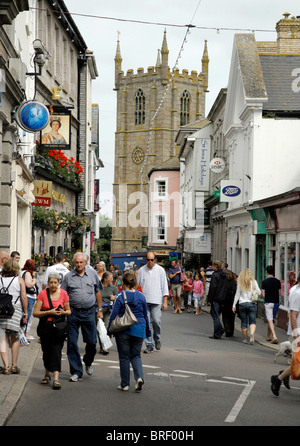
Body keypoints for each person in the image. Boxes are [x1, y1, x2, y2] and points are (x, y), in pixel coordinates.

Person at [60, 252, 103, 382]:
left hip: (89, 312)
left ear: (85, 263)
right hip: (73, 312)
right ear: (74, 263)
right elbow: (63, 294)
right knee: (72, 343)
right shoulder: (68, 277)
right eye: (77, 262)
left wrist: (99, 309)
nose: (79, 265)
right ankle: (76, 371)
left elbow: (98, 291)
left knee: (92, 342)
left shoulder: (93, 274)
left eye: (81, 262)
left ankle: (88, 361)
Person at [107, 271, 151, 391]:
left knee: (124, 357)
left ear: (123, 283)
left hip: (124, 329)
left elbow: (114, 314)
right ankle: (139, 378)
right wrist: (148, 332)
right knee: (136, 355)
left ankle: (125, 384)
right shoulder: (141, 296)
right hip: (140, 328)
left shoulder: (120, 296)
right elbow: (145, 315)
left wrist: (109, 330)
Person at [33, 272, 71, 389]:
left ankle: (56, 378)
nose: (53, 285)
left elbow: (69, 311)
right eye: (51, 282)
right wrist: (49, 312)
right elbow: (35, 313)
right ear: (48, 283)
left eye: (55, 282)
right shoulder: (42, 294)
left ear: (59, 283)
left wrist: (63, 312)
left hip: (58, 327)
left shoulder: (64, 294)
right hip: (45, 326)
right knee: (46, 351)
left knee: (56, 351)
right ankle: (46, 374)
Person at [271, 274, 300, 396]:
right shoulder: (297, 293)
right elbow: (292, 315)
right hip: (298, 333)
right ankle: (279, 379)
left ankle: (279, 378)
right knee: (297, 362)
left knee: (297, 363)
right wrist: (296, 336)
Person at [137, 251, 168, 354]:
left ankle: (157, 338)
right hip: (144, 301)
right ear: (146, 260)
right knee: (146, 323)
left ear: (155, 260)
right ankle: (149, 344)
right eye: (148, 260)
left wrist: (165, 301)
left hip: (156, 300)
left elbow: (164, 286)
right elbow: (138, 286)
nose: (150, 262)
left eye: (152, 260)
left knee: (156, 321)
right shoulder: (142, 270)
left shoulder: (160, 270)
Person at [0, 259, 28, 375]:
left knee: (2, 338)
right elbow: (24, 297)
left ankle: (5, 367)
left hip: (1, 311)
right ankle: (14, 365)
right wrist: (25, 313)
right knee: (15, 337)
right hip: (15, 310)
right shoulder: (19, 280)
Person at [232, 268, 261, 344]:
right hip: (252, 304)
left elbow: (237, 295)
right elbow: (259, 292)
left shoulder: (240, 283)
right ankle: (252, 334)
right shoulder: (254, 282)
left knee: (244, 322)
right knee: (252, 321)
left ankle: (245, 339)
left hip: (242, 304)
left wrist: (234, 305)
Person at [98, 271, 117, 355]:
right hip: (98, 310)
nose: (112, 280)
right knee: (99, 328)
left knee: (106, 328)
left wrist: (114, 297)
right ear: (105, 279)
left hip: (108, 310)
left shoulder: (113, 288)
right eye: (110, 278)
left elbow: (118, 296)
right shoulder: (98, 287)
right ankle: (102, 346)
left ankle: (105, 347)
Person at [261, 265, 281, 344]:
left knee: (270, 320)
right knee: (271, 320)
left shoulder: (264, 282)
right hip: (276, 302)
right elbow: (279, 293)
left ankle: (274, 336)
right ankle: (268, 336)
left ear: (266, 272)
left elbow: (263, 294)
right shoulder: (278, 281)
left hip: (268, 302)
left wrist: (264, 297)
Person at [207, 260, 227, 339]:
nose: (212, 267)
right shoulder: (224, 275)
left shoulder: (215, 275)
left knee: (215, 315)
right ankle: (220, 329)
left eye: (213, 266)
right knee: (216, 314)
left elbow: (212, 288)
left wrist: (209, 299)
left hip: (215, 297)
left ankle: (218, 332)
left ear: (215, 266)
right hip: (222, 297)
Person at [21, 259, 39, 340]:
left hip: (27, 296)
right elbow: (28, 285)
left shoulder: (23, 272)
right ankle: (25, 333)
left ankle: (24, 332)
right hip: (29, 297)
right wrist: (34, 280)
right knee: (27, 315)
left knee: (26, 315)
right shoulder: (27, 273)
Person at [222, 269, 237, 337]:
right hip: (233, 302)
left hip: (225, 302)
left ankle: (227, 330)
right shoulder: (234, 282)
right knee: (232, 318)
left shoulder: (224, 283)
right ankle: (231, 331)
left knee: (225, 317)